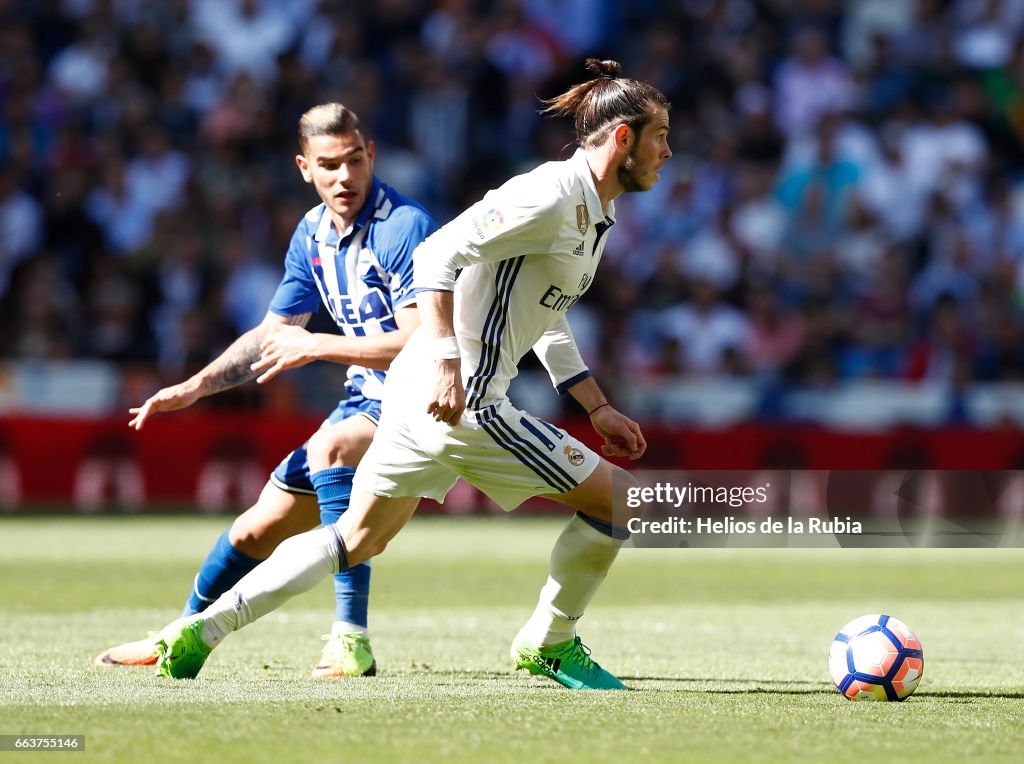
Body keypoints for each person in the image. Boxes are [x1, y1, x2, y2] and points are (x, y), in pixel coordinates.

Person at [153, 59, 671, 690]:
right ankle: (551, 641)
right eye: (660, 136)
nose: (666, 152)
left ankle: (201, 629)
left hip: (419, 397)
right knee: (626, 502)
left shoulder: (593, 212)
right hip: (465, 398)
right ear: (623, 139)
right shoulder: (550, 194)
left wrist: (594, 407)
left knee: (354, 539)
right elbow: (436, 254)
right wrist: (451, 363)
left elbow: (546, 314)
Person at [93, 103, 437, 678]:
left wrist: (318, 346)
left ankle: (351, 637)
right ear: (305, 168)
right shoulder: (312, 233)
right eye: (329, 165)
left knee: (331, 449)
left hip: (427, 399)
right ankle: (177, 634)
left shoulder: (403, 227)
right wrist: (195, 387)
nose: (345, 177)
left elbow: (418, 341)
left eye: (355, 160)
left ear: (371, 154)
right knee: (256, 528)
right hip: (366, 398)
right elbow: (277, 333)